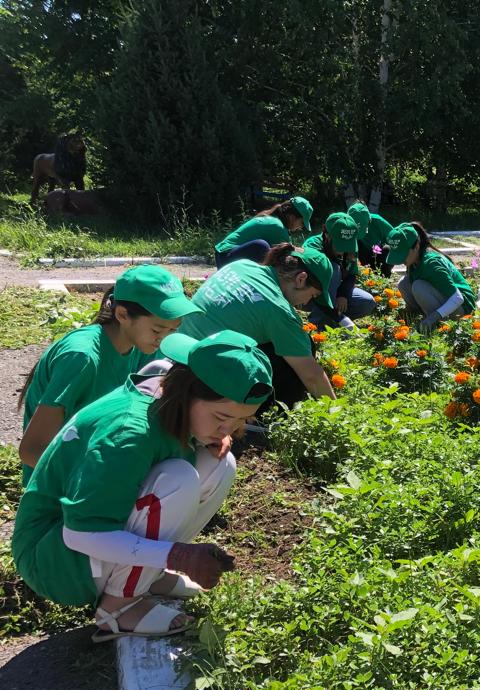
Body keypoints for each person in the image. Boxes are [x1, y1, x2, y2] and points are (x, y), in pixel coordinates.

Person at [11, 330, 274, 641]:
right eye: (221, 416)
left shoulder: (167, 389)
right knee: (179, 478)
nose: (228, 429)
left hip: (71, 545)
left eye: (240, 420)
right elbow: (80, 532)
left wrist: (218, 429)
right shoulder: (129, 434)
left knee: (220, 464)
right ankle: (119, 609)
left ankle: (149, 577)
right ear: (188, 392)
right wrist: (178, 556)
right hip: (53, 559)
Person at [18, 266, 199, 484]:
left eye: (173, 329)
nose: (165, 338)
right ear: (122, 314)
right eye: (158, 330)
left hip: (104, 457)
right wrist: (103, 479)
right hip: (64, 486)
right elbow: (31, 450)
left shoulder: (145, 345)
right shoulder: (81, 357)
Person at [181, 245, 336, 407]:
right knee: (300, 350)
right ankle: (268, 416)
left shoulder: (242, 265)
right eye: (313, 295)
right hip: (205, 380)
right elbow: (312, 376)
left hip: (178, 354)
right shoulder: (278, 309)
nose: (306, 303)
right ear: (301, 279)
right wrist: (335, 413)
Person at [383, 222, 476, 334]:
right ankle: (420, 319)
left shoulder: (431, 264)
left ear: (416, 247)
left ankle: (439, 325)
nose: (401, 259)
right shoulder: (414, 261)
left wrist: (433, 317)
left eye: (403, 253)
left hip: (462, 308)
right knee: (404, 283)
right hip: (447, 303)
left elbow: (458, 298)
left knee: (418, 286)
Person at [303, 212, 375, 330]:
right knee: (333, 269)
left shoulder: (350, 245)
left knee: (366, 302)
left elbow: (351, 274)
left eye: (347, 245)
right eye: (339, 245)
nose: (343, 250)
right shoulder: (312, 247)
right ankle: (318, 325)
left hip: (334, 293)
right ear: (326, 235)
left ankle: (333, 319)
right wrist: (343, 320)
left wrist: (343, 295)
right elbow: (314, 287)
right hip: (311, 296)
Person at [213, 196, 314, 268]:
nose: (300, 227)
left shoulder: (273, 219)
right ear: (291, 217)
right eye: (301, 223)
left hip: (224, 256)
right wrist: (307, 254)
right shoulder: (277, 226)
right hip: (226, 258)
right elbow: (290, 252)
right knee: (262, 247)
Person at [348, 202, 394, 277]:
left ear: (369, 221)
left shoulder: (377, 221)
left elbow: (396, 238)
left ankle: (384, 277)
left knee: (387, 249)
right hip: (360, 255)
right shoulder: (346, 225)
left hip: (378, 254)